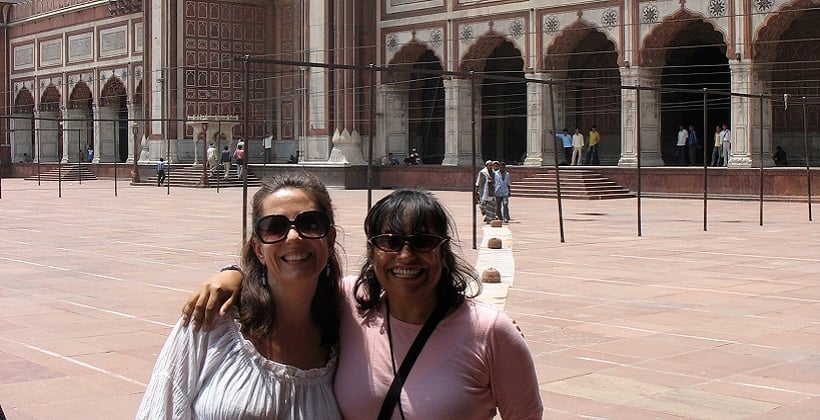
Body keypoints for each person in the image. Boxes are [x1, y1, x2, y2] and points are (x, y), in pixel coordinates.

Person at [181, 189, 543, 419]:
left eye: (422, 242)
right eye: (389, 242)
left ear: (442, 251)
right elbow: (291, 276)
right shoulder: (352, 303)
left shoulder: (489, 331)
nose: (405, 255)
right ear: (371, 252)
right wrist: (233, 274)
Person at [137, 172, 343, 418]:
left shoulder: (347, 331)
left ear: (330, 240)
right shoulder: (213, 318)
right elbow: (162, 409)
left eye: (310, 223)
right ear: (258, 249)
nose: (293, 237)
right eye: (273, 227)